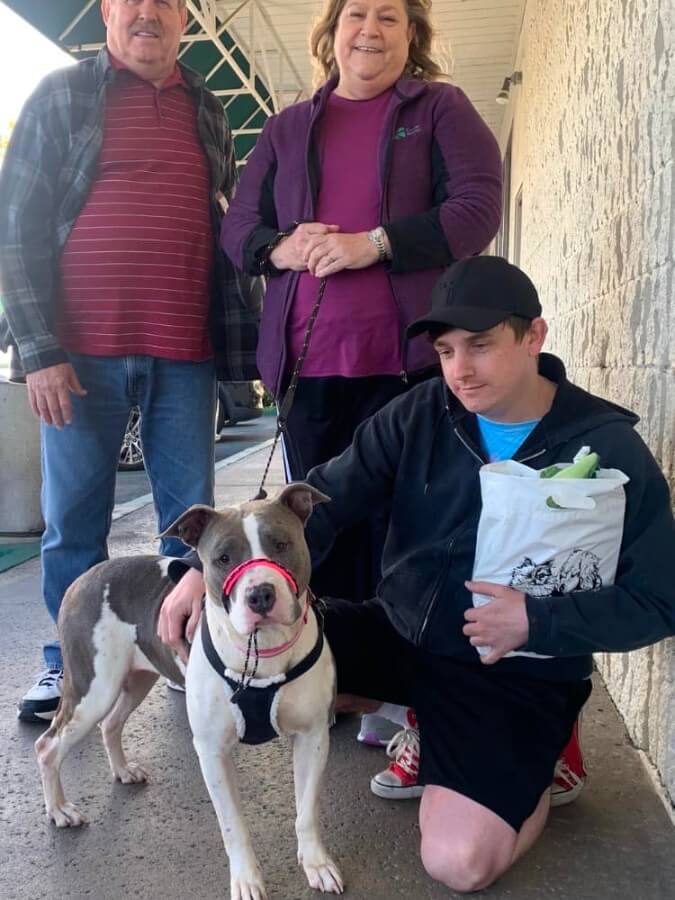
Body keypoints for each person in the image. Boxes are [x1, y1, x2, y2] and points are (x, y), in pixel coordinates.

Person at [158, 256, 675, 892]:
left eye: (480, 346)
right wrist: (200, 568)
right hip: (404, 631)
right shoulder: (422, 411)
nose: (459, 369)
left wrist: (539, 621)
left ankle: (544, 756)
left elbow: (659, 598)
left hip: (510, 667)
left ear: (534, 337)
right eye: (447, 349)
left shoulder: (605, 446)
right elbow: (323, 499)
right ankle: (419, 717)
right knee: (271, 649)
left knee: (458, 863)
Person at [0, 0, 258, 724]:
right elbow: (15, 226)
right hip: (79, 353)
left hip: (185, 350)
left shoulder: (209, 108)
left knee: (194, 525)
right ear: (110, 10)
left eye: (166, 1)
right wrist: (39, 350)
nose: (148, 12)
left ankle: (193, 656)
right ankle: (67, 668)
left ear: (185, 19)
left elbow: (223, 221)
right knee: (75, 522)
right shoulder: (63, 94)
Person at [220, 0, 502, 607]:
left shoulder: (439, 109)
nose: (369, 30)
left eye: (388, 17)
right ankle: (338, 674)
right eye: (356, 14)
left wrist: (373, 244)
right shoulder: (286, 128)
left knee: (413, 529)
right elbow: (238, 227)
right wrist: (282, 246)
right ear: (333, 30)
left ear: (412, 35)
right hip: (308, 369)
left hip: (412, 363)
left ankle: (407, 682)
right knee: (319, 531)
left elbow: (477, 209)